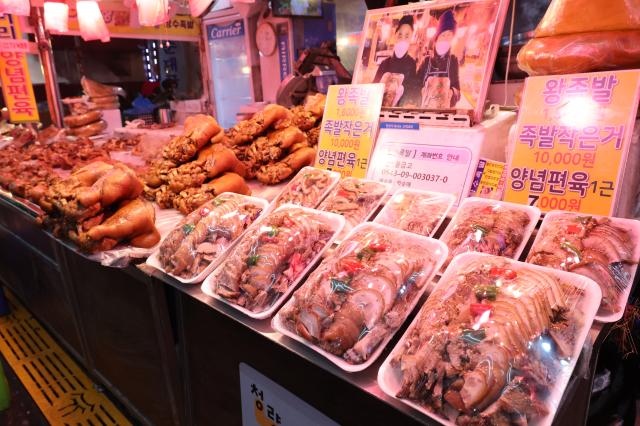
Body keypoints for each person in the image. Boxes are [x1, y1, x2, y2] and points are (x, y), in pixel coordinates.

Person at [415, 9, 461, 109]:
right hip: (424, 110)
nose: (446, 38)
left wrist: (452, 93)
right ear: (437, 38)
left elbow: (458, 91)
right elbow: (414, 84)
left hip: (443, 113)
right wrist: (420, 92)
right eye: (443, 35)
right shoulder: (426, 61)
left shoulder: (453, 60)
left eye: (449, 35)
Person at [373, 15, 416, 107]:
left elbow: (412, 92)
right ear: (395, 36)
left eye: (407, 36)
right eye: (400, 35)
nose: (403, 39)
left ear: (411, 39)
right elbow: (374, 88)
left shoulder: (412, 64)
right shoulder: (385, 63)